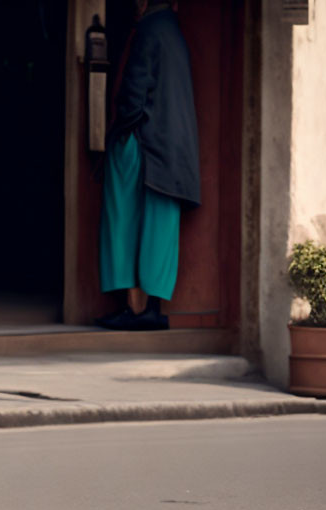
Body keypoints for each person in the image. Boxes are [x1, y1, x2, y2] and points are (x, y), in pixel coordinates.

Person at [97, 0, 200, 331]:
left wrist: (118, 132)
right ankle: (149, 307)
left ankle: (135, 307)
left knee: (124, 220)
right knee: (158, 227)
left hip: (144, 143)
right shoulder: (173, 32)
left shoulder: (148, 31)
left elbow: (134, 92)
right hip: (171, 153)